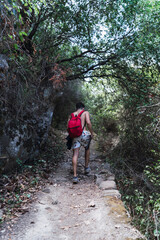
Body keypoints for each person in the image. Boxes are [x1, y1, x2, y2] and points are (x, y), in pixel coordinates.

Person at [68, 102, 94, 183]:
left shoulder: (71, 115)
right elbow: (88, 123)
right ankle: (86, 168)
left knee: (75, 154)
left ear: (76, 108)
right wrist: (92, 133)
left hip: (75, 135)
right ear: (83, 108)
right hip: (84, 133)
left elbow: (67, 127)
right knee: (87, 148)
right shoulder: (85, 112)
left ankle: (75, 176)